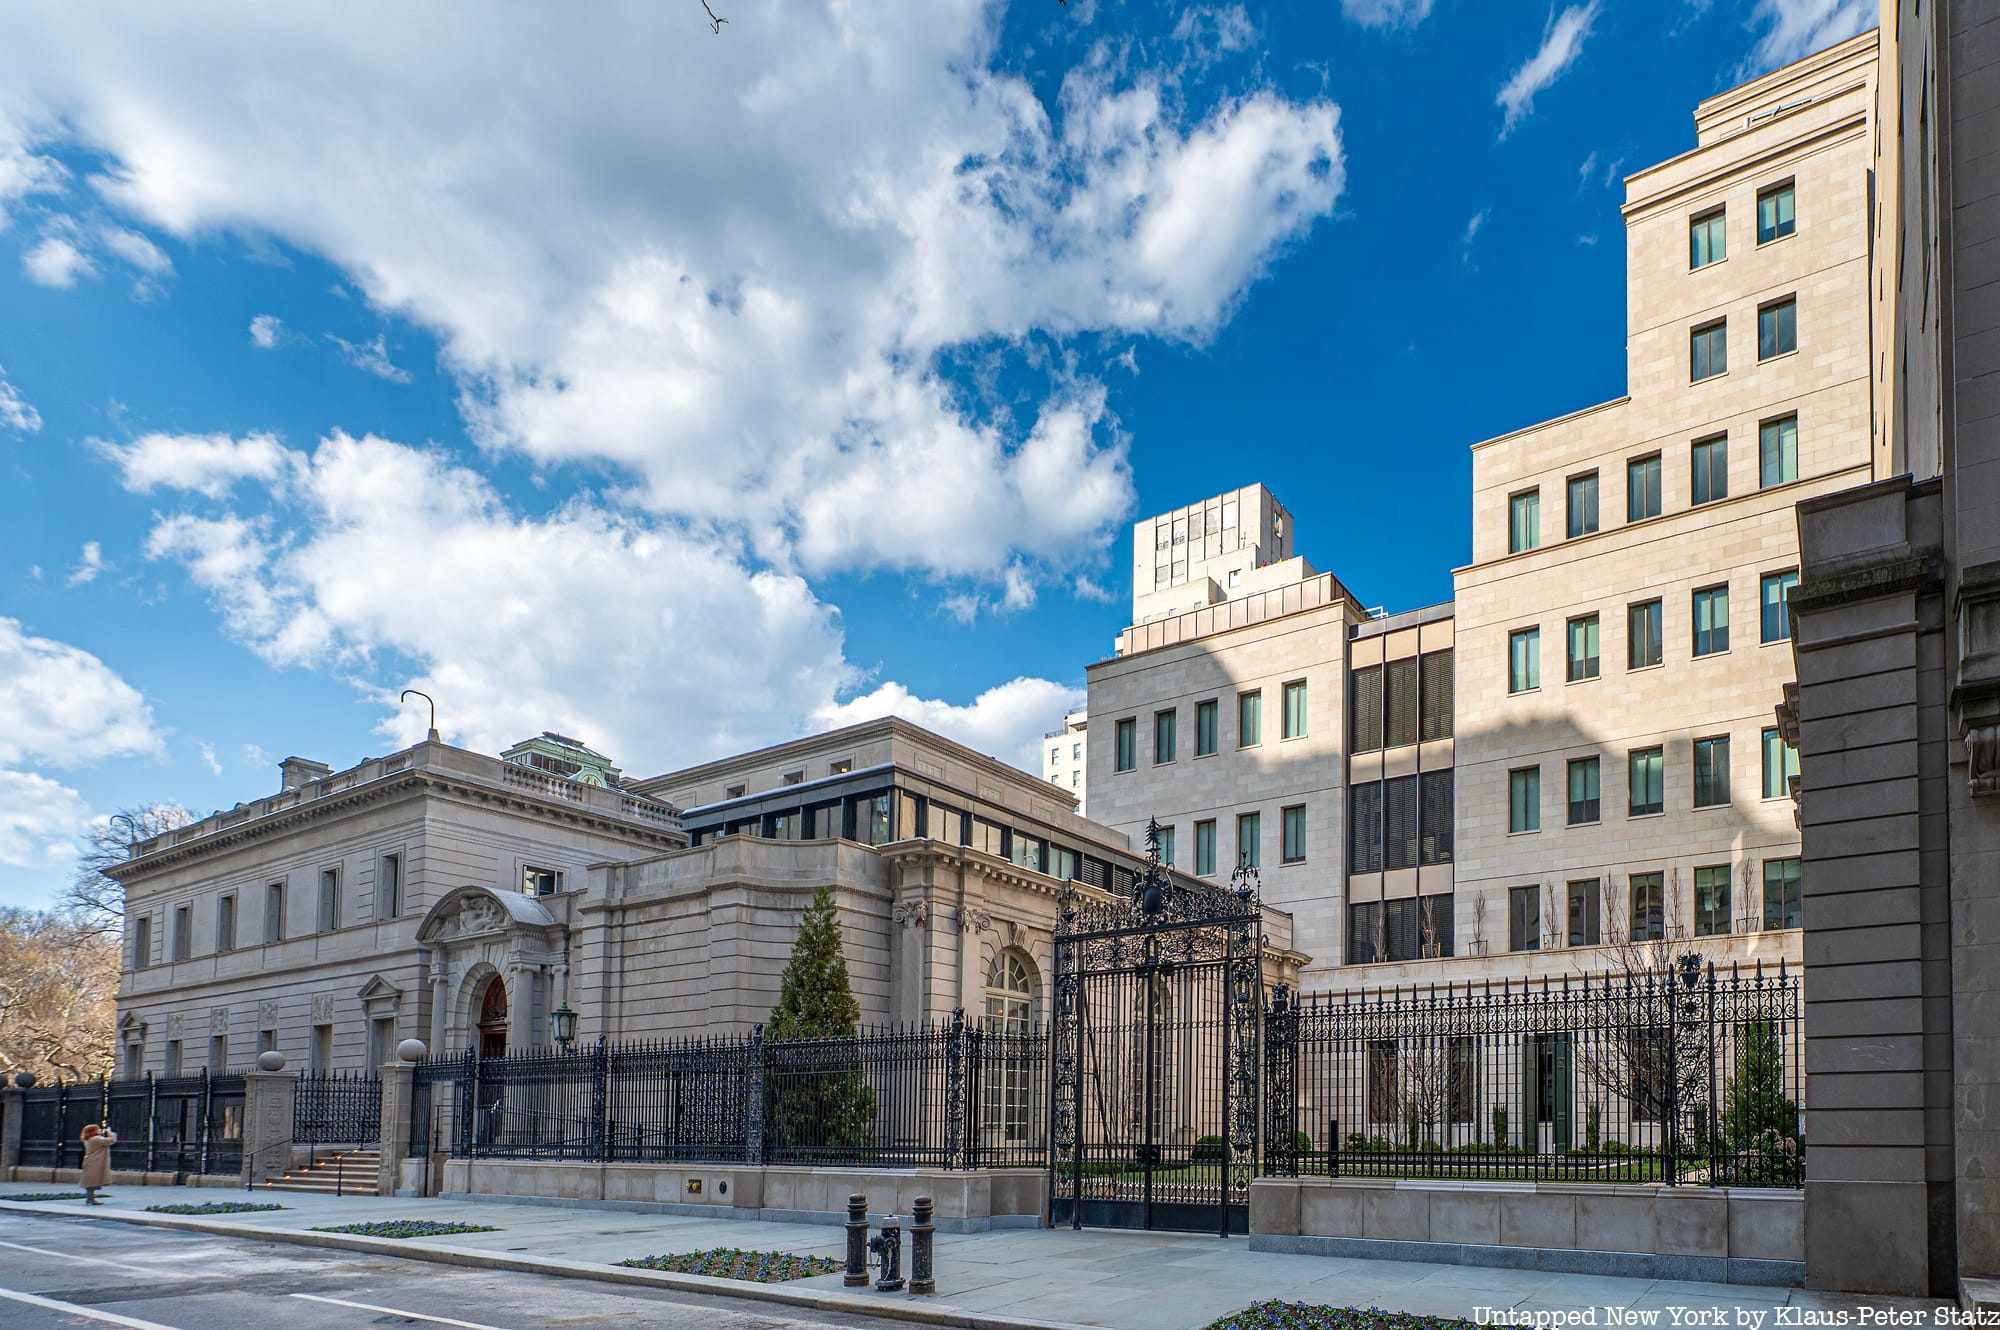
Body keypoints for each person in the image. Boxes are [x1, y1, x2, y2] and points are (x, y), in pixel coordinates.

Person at [79, 1123, 115, 1205]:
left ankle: (90, 1198)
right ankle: (90, 1199)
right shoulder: (96, 1139)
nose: (99, 1130)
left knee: (90, 1181)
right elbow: (111, 1140)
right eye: (97, 1129)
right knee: (92, 1181)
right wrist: (110, 1132)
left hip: (90, 1161)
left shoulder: (88, 1139)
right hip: (95, 1162)